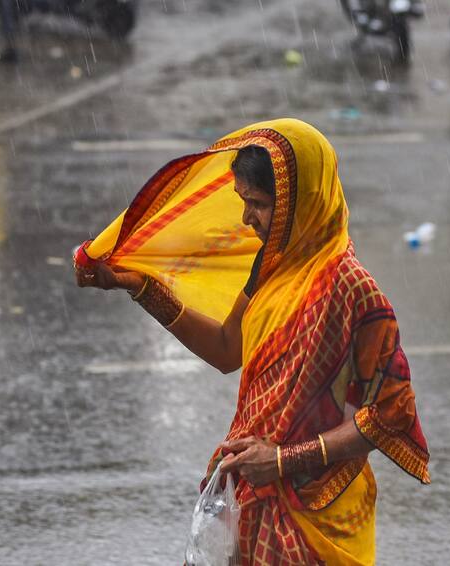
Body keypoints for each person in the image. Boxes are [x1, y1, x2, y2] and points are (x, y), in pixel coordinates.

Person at [75, 118, 430, 565]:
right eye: (244, 201)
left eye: (258, 204)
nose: (247, 218)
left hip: (316, 513)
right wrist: (140, 287)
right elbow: (227, 349)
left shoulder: (351, 286)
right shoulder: (271, 265)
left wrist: (284, 460)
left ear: (302, 203)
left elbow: (391, 414)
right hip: (253, 495)